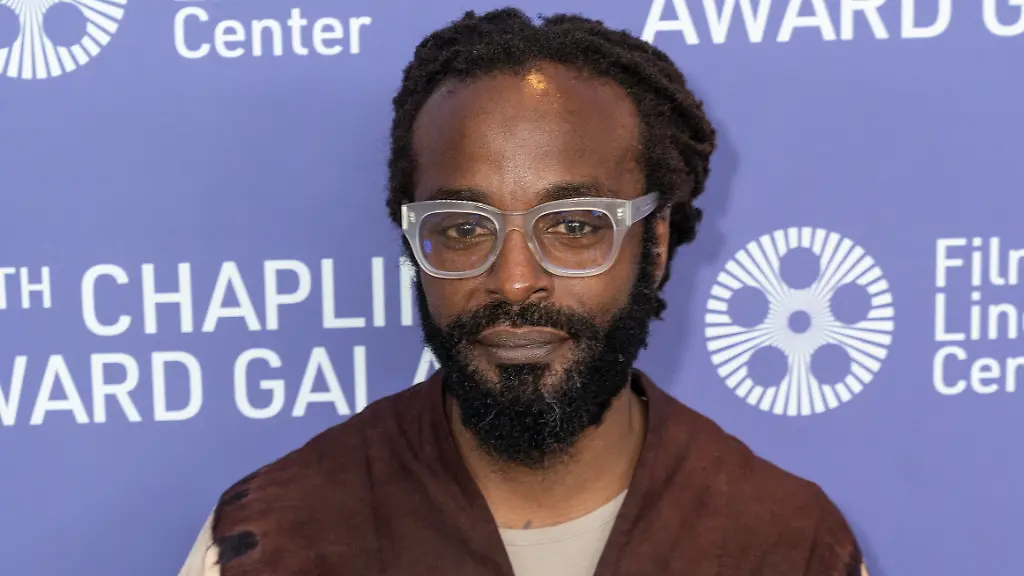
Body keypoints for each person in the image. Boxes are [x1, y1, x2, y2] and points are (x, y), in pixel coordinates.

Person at [178, 7, 869, 576]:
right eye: (462, 228)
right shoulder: (271, 539)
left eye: (572, 226)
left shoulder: (787, 544)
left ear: (654, 246)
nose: (512, 280)